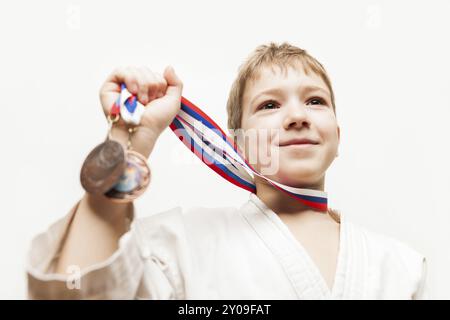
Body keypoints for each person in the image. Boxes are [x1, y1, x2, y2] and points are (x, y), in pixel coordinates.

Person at [27, 42, 428, 299]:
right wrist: (130, 137)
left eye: (315, 101)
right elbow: (76, 291)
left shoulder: (400, 265)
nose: (296, 116)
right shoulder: (179, 245)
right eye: (269, 105)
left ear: (338, 138)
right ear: (236, 144)